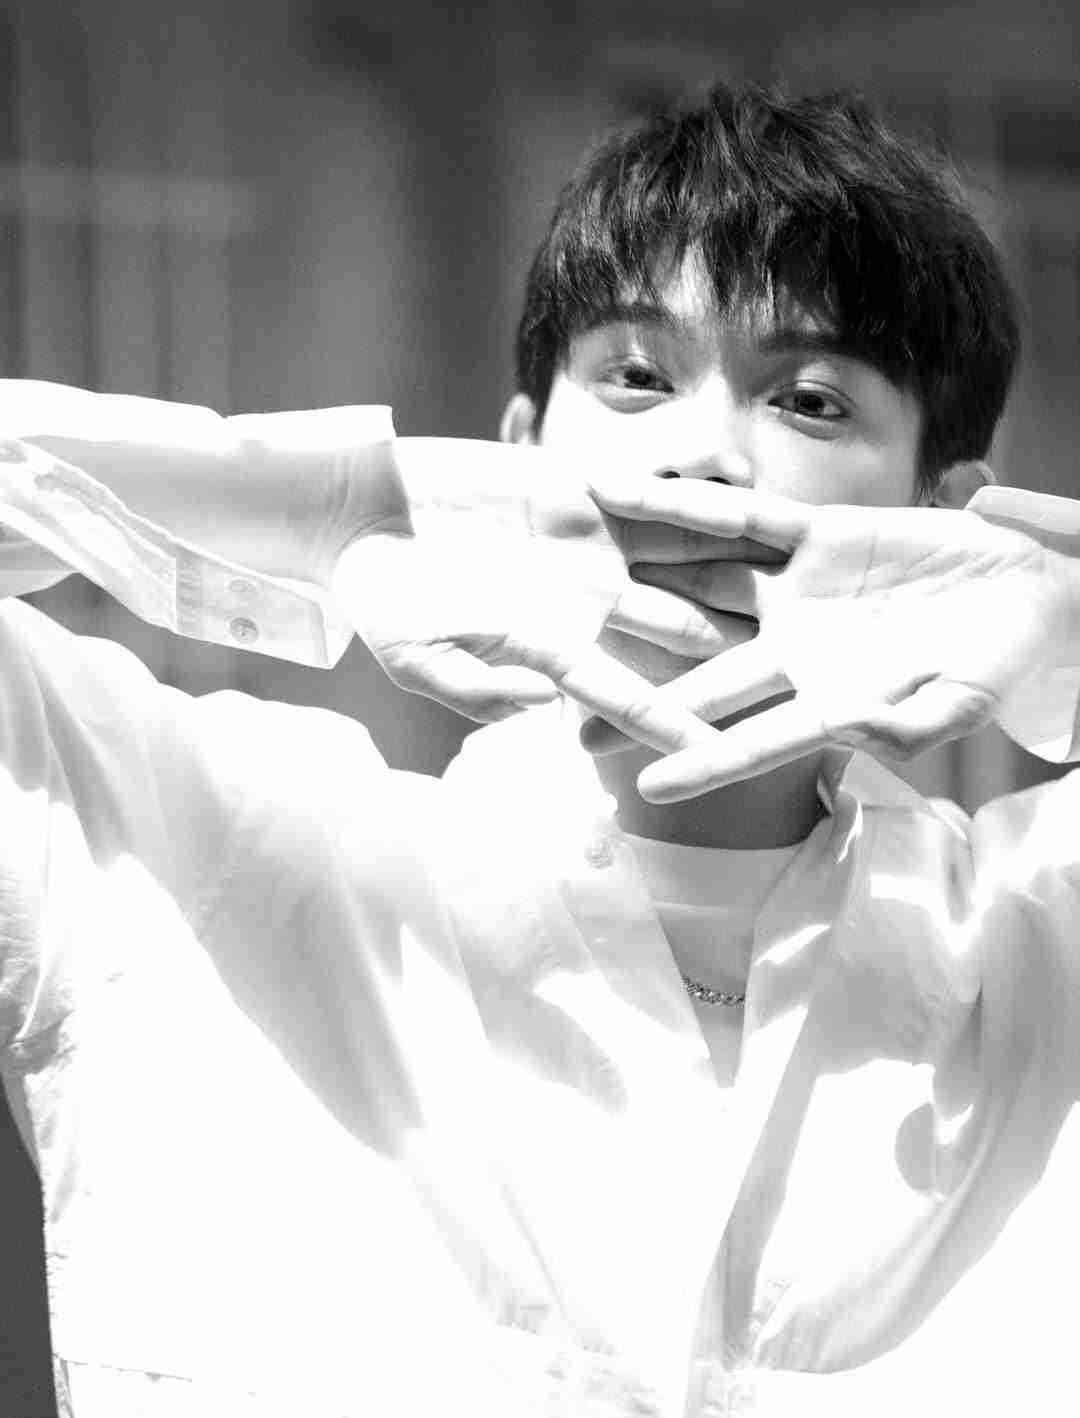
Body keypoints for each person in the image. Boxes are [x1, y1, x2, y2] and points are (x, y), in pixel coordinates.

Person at [2, 83, 1080, 1418]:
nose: (704, 457)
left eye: (809, 401)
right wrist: (315, 512)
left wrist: (1066, 645)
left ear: (947, 519)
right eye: (635, 376)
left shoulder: (1043, 946)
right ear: (514, 453)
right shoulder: (211, 858)